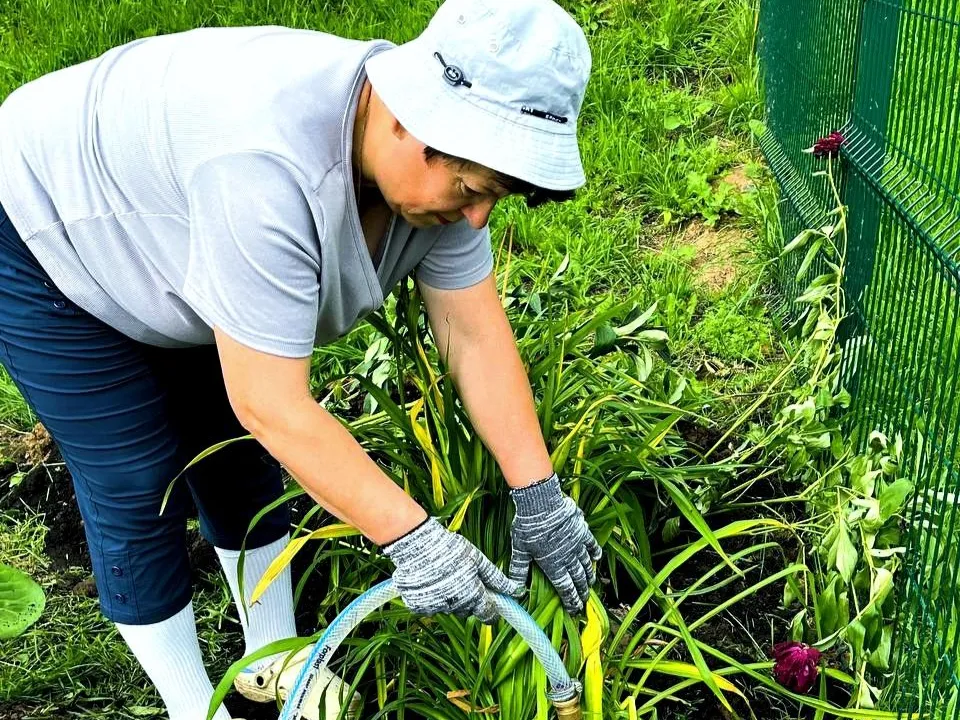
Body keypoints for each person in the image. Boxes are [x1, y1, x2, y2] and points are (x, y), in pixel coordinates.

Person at [0, 0, 601, 717]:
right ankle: (197, 707)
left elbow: (473, 335)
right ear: (411, 119)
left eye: (493, 196)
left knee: (228, 450)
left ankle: (276, 662)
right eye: (472, 190)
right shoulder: (264, 172)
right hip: (42, 225)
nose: (477, 216)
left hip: (172, 223)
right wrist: (414, 540)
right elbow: (273, 405)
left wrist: (539, 496)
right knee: (134, 477)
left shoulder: (444, 178)